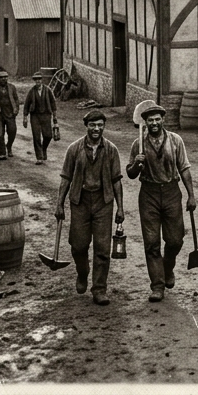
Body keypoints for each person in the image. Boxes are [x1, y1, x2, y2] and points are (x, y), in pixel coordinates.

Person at [126, 100, 197, 303]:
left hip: (171, 192)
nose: (154, 123)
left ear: (163, 120)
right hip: (148, 193)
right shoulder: (138, 143)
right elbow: (130, 174)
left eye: (157, 119)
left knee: (175, 240)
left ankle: (168, 266)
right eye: (150, 120)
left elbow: (184, 168)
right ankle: (157, 286)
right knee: (151, 242)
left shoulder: (175, 141)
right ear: (145, 122)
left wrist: (191, 195)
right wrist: (137, 165)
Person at [55, 110, 125, 305]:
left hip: (103, 202)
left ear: (104, 126)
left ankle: (99, 289)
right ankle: (82, 272)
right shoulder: (74, 149)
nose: (96, 129)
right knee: (78, 245)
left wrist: (120, 208)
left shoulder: (111, 150)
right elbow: (66, 178)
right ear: (86, 126)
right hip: (80, 201)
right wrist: (59, 203)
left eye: (100, 125)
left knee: (102, 248)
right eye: (93, 125)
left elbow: (117, 181)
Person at [0, 69, 22, 160]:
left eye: (5, 77)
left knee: (12, 131)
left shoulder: (12, 87)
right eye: (1, 77)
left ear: (7, 78)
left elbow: (16, 99)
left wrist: (16, 109)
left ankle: (9, 146)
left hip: (10, 113)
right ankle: (2, 152)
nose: (3, 79)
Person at [24, 71, 57, 165]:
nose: (38, 81)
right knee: (36, 136)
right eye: (36, 80)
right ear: (34, 81)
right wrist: (25, 117)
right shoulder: (31, 91)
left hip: (46, 115)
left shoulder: (48, 90)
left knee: (48, 136)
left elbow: (53, 104)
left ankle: (43, 149)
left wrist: (55, 118)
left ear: (42, 80)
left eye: (39, 79)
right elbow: (26, 104)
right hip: (35, 116)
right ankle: (39, 157)